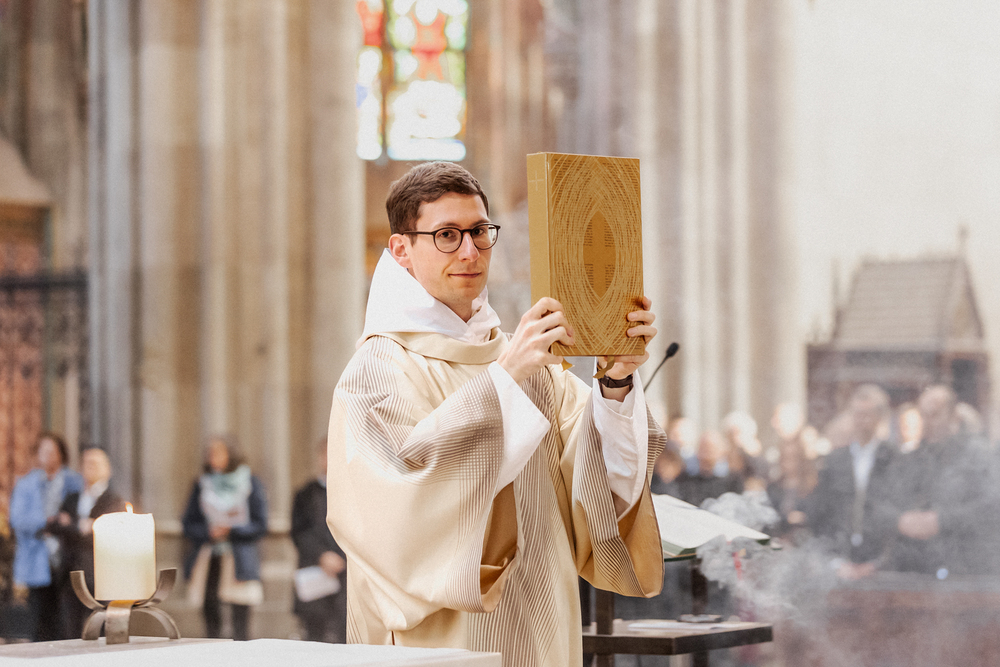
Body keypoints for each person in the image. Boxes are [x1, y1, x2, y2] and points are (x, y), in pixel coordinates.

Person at [326, 161, 666, 666]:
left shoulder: (528, 361)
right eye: (447, 235)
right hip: (445, 643)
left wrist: (615, 381)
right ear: (401, 250)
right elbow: (397, 513)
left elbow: (598, 486)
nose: (470, 251)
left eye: (480, 232)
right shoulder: (377, 370)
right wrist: (505, 377)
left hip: (544, 626)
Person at [871, 385, 996, 575]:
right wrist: (900, 520)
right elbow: (881, 505)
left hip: (965, 568)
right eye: (923, 415)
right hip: (916, 567)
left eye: (935, 415)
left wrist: (942, 520)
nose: (928, 422)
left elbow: (990, 508)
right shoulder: (909, 460)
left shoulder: (979, 455)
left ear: (953, 416)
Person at [182, 435, 268, 641]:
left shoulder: (250, 482)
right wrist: (209, 532)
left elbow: (260, 524)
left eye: (219, 452)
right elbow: (188, 522)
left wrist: (232, 530)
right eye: (210, 453)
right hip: (210, 556)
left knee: (240, 615)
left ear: (231, 454)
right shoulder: (202, 483)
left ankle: (241, 653)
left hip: (239, 556)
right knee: (211, 610)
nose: (213, 457)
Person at [809, 385, 896, 579]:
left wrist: (879, 563)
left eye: (867, 415)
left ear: (879, 417)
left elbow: (896, 512)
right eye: (857, 414)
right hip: (840, 560)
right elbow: (822, 512)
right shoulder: (835, 460)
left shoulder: (894, 458)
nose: (861, 421)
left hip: (880, 564)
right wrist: (834, 561)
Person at [9, 432, 82, 641]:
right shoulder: (27, 484)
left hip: (68, 557)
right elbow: (18, 519)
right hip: (37, 557)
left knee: (67, 619)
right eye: (44, 451)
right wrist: (46, 522)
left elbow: (81, 513)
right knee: (40, 617)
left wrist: (67, 523)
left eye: (53, 451)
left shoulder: (73, 482)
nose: (48, 456)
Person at [50, 447, 126, 637]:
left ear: (107, 469)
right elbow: (56, 527)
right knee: (70, 632)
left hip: (100, 575)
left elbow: (105, 533)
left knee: (103, 631)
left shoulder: (113, 500)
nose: (90, 467)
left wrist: (72, 524)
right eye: (86, 463)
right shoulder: (72, 498)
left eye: (95, 463)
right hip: (71, 572)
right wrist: (82, 525)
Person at [291, 438, 346, 643]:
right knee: (315, 636)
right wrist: (322, 555)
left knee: (345, 635)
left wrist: (341, 557)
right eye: (326, 454)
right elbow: (300, 532)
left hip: (346, 572)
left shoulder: (353, 493)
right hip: (315, 570)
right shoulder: (305, 494)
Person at [676, 430, 743, 507]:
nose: (706, 450)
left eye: (711, 447)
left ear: (722, 451)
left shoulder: (733, 479)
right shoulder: (685, 476)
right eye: (703, 446)